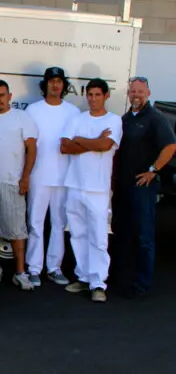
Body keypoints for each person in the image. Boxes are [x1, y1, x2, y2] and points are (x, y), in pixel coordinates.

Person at [112, 77, 176, 298]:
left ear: (148, 92)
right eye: (132, 91)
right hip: (123, 186)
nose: (136, 94)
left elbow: (170, 146)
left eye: (140, 91)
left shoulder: (155, 118)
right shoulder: (126, 119)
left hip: (143, 187)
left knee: (144, 236)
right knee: (122, 233)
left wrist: (153, 170)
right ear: (128, 94)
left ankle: (142, 284)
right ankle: (120, 280)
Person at [60, 78, 123, 303]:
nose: (93, 99)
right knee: (78, 234)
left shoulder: (114, 121)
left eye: (98, 95)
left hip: (97, 189)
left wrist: (82, 141)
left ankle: (98, 283)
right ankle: (83, 276)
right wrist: (93, 142)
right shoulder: (77, 119)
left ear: (106, 96)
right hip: (75, 185)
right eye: (90, 95)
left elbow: (105, 146)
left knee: (98, 238)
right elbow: (65, 146)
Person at [0, 80, 37, 290]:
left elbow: (31, 148)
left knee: (16, 229)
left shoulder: (22, 118)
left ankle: (20, 272)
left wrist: (26, 177)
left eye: (2, 95)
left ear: (10, 96)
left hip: (12, 181)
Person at [25, 67, 80, 287]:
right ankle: (34, 268)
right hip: (38, 176)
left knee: (59, 224)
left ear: (63, 85)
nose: (55, 85)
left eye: (59, 81)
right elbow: (27, 146)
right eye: (51, 81)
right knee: (35, 223)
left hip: (64, 177)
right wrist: (26, 175)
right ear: (45, 85)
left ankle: (54, 268)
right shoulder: (32, 110)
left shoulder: (73, 112)